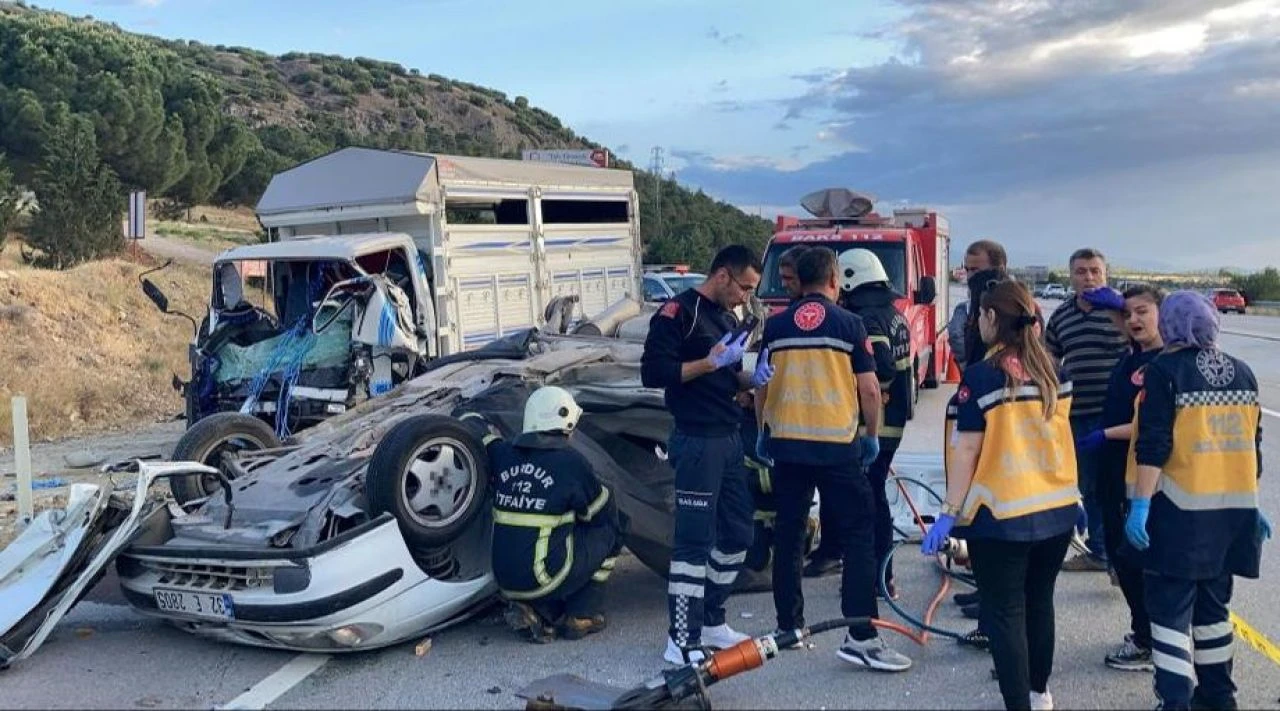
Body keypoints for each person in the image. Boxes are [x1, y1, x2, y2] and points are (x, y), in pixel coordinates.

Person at [922, 279, 1079, 711]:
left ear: (992, 318)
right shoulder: (1054, 372)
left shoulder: (982, 377)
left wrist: (948, 514)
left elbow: (967, 450)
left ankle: (1018, 704)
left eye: (981, 315)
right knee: (1039, 603)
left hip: (1002, 516)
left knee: (1005, 612)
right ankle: (1040, 692)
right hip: (1056, 510)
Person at [757, 246, 913, 672]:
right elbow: (867, 386)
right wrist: (869, 434)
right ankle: (860, 635)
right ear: (832, 281)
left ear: (798, 280)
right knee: (858, 534)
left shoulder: (775, 326)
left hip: (787, 444)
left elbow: (760, 384)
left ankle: (789, 627)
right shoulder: (850, 324)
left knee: (788, 535)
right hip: (837, 447)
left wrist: (762, 431)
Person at [1126, 290, 1271, 711]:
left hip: (1179, 515)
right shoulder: (1243, 373)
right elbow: (1250, 446)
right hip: (1229, 516)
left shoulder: (1164, 371)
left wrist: (1140, 505)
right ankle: (1218, 696)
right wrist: (1252, 503)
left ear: (1170, 325)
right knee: (1213, 614)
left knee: (1170, 614)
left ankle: (1175, 700)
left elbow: (1153, 446)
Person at [640, 244, 775, 665]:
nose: (745, 298)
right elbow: (654, 373)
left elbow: (727, 374)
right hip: (696, 440)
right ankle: (681, 638)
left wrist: (751, 377)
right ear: (723, 276)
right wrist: (710, 362)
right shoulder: (678, 314)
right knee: (693, 544)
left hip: (729, 437)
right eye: (744, 288)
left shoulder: (725, 315)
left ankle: (712, 618)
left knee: (738, 533)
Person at [460, 386, 624, 643]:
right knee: (614, 529)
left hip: (503, 578)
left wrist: (469, 411)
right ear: (565, 422)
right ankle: (582, 614)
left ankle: (542, 612)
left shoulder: (502, 453)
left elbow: (475, 430)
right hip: (543, 576)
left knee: (551, 536)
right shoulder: (571, 463)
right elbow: (601, 514)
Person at [803, 249, 912, 604]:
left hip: (872, 427)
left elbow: (882, 369)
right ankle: (867, 569)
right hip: (890, 424)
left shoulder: (866, 317)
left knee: (870, 501)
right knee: (870, 497)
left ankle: (881, 577)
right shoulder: (893, 314)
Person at [1074, 285, 1164, 671]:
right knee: (1118, 552)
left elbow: (1154, 425)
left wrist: (1106, 434)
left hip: (1138, 474)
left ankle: (1149, 641)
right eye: (1127, 314)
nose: (1133, 320)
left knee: (1134, 560)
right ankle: (1146, 633)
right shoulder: (1134, 356)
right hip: (1115, 469)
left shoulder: (1162, 364)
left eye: (1143, 311)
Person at [1044, 248, 1129, 572]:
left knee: (1122, 486)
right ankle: (1099, 551)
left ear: (1105, 273)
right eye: (1081, 271)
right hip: (1078, 416)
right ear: (1071, 276)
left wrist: (1120, 309)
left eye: (1095, 270)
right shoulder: (1063, 315)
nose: (1089, 277)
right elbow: (1049, 358)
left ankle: (1124, 555)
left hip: (1120, 417)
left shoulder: (1121, 311)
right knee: (1089, 486)